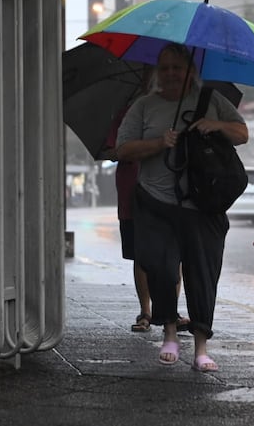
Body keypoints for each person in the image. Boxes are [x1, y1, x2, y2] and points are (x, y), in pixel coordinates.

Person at [115, 43, 248, 372]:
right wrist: (159, 143)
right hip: (155, 203)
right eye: (166, 68)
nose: (172, 73)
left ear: (191, 71)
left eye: (178, 67)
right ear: (158, 73)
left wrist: (215, 125)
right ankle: (170, 332)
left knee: (203, 274)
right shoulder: (144, 106)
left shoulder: (211, 101)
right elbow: (123, 149)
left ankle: (201, 346)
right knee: (159, 267)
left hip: (202, 206)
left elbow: (242, 133)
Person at [102, 69, 190, 334]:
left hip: (170, 191)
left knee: (174, 254)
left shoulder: (178, 110)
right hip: (133, 192)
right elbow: (111, 149)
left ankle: (171, 312)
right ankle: (146, 312)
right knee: (142, 254)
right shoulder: (130, 112)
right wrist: (138, 147)